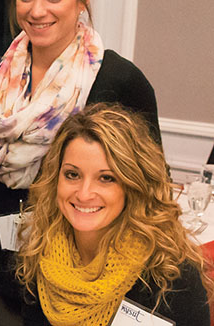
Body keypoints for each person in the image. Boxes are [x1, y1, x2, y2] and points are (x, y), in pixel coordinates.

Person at [0, 0, 160, 317]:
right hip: (15, 264)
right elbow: (9, 167)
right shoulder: (5, 71)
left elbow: (151, 191)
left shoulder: (119, 80)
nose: (37, 11)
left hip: (89, 274)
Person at [17, 104, 212, 325]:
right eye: (72, 174)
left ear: (133, 186)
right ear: (56, 179)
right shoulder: (41, 254)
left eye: (106, 178)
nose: (84, 193)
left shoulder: (171, 276)